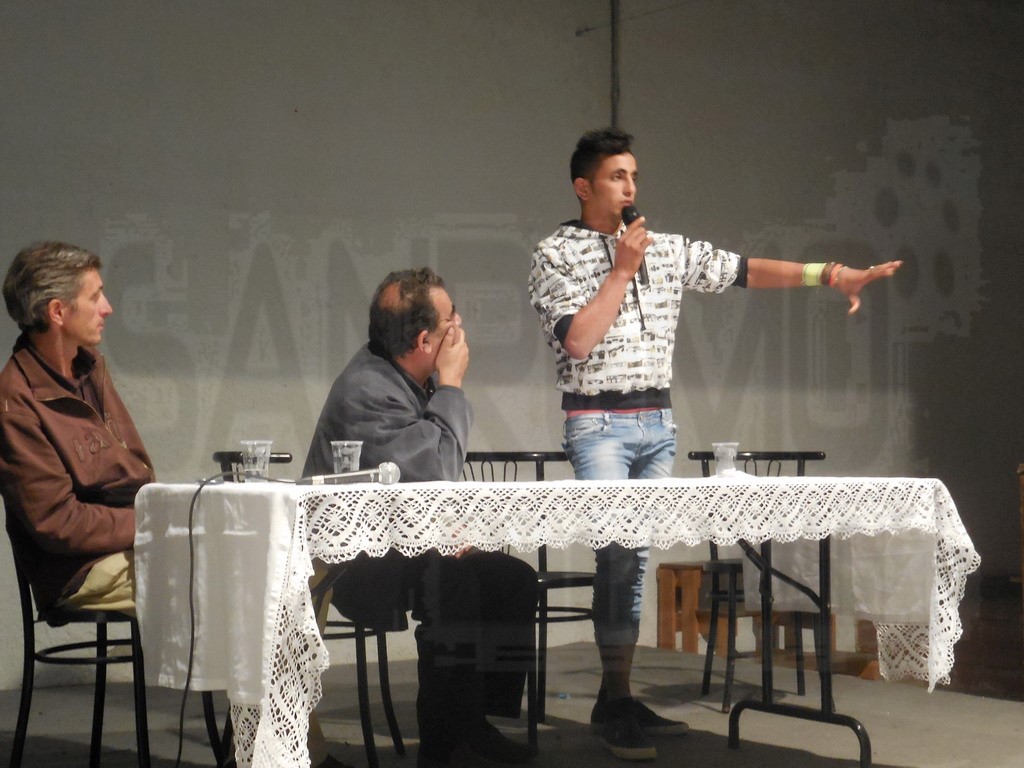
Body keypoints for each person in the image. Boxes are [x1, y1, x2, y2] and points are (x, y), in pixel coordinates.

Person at [527, 128, 902, 761]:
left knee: (635, 558)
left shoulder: (665, 248)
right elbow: (579, 341)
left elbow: (744, 270)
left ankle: (617, 698)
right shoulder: (555, 253)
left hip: (656, 423)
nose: (631, 187)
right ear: (583, 187)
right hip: (597, 422)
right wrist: (622, 270)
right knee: (615, 556)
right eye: (617, 176)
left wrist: (832, 274)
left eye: (635, 176)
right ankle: (613, 701)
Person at [304, 267, 539, 768]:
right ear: (424, 340)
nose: (460, 327)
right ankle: (442, 744)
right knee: (453, 582)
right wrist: (451, 385)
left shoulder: (404, 376)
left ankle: (472, 723)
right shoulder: (369, 389)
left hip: (403, 544)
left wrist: (454, 529)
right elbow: (438, 473)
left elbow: (423, 491)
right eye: (452, 319)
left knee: (512, 579)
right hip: (354, 562)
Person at [0, 241, 153, 617]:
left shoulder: (91, 367)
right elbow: (59, 523)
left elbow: (138, 470)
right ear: (57, 311)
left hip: (130, 544)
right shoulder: (16, 400)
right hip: (77, 570)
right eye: (95, 296)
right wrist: (151, 521)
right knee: (204, 582)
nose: (107, 308)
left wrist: (167, 516)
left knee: (240, 566)